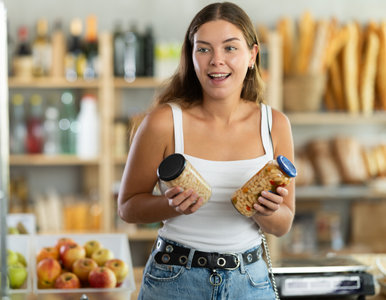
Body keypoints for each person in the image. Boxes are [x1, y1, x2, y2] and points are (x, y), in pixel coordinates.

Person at [118, 2, 295, 299]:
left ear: (252, 55)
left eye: (230, 48)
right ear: (191, 56)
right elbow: (127, 207)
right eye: (203, 49)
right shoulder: (164, 122)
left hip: (249, 282)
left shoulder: (274, 124)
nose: (216, 60)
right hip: (174, 279)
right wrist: (170, 205)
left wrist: (265, 211)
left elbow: (284, 223)